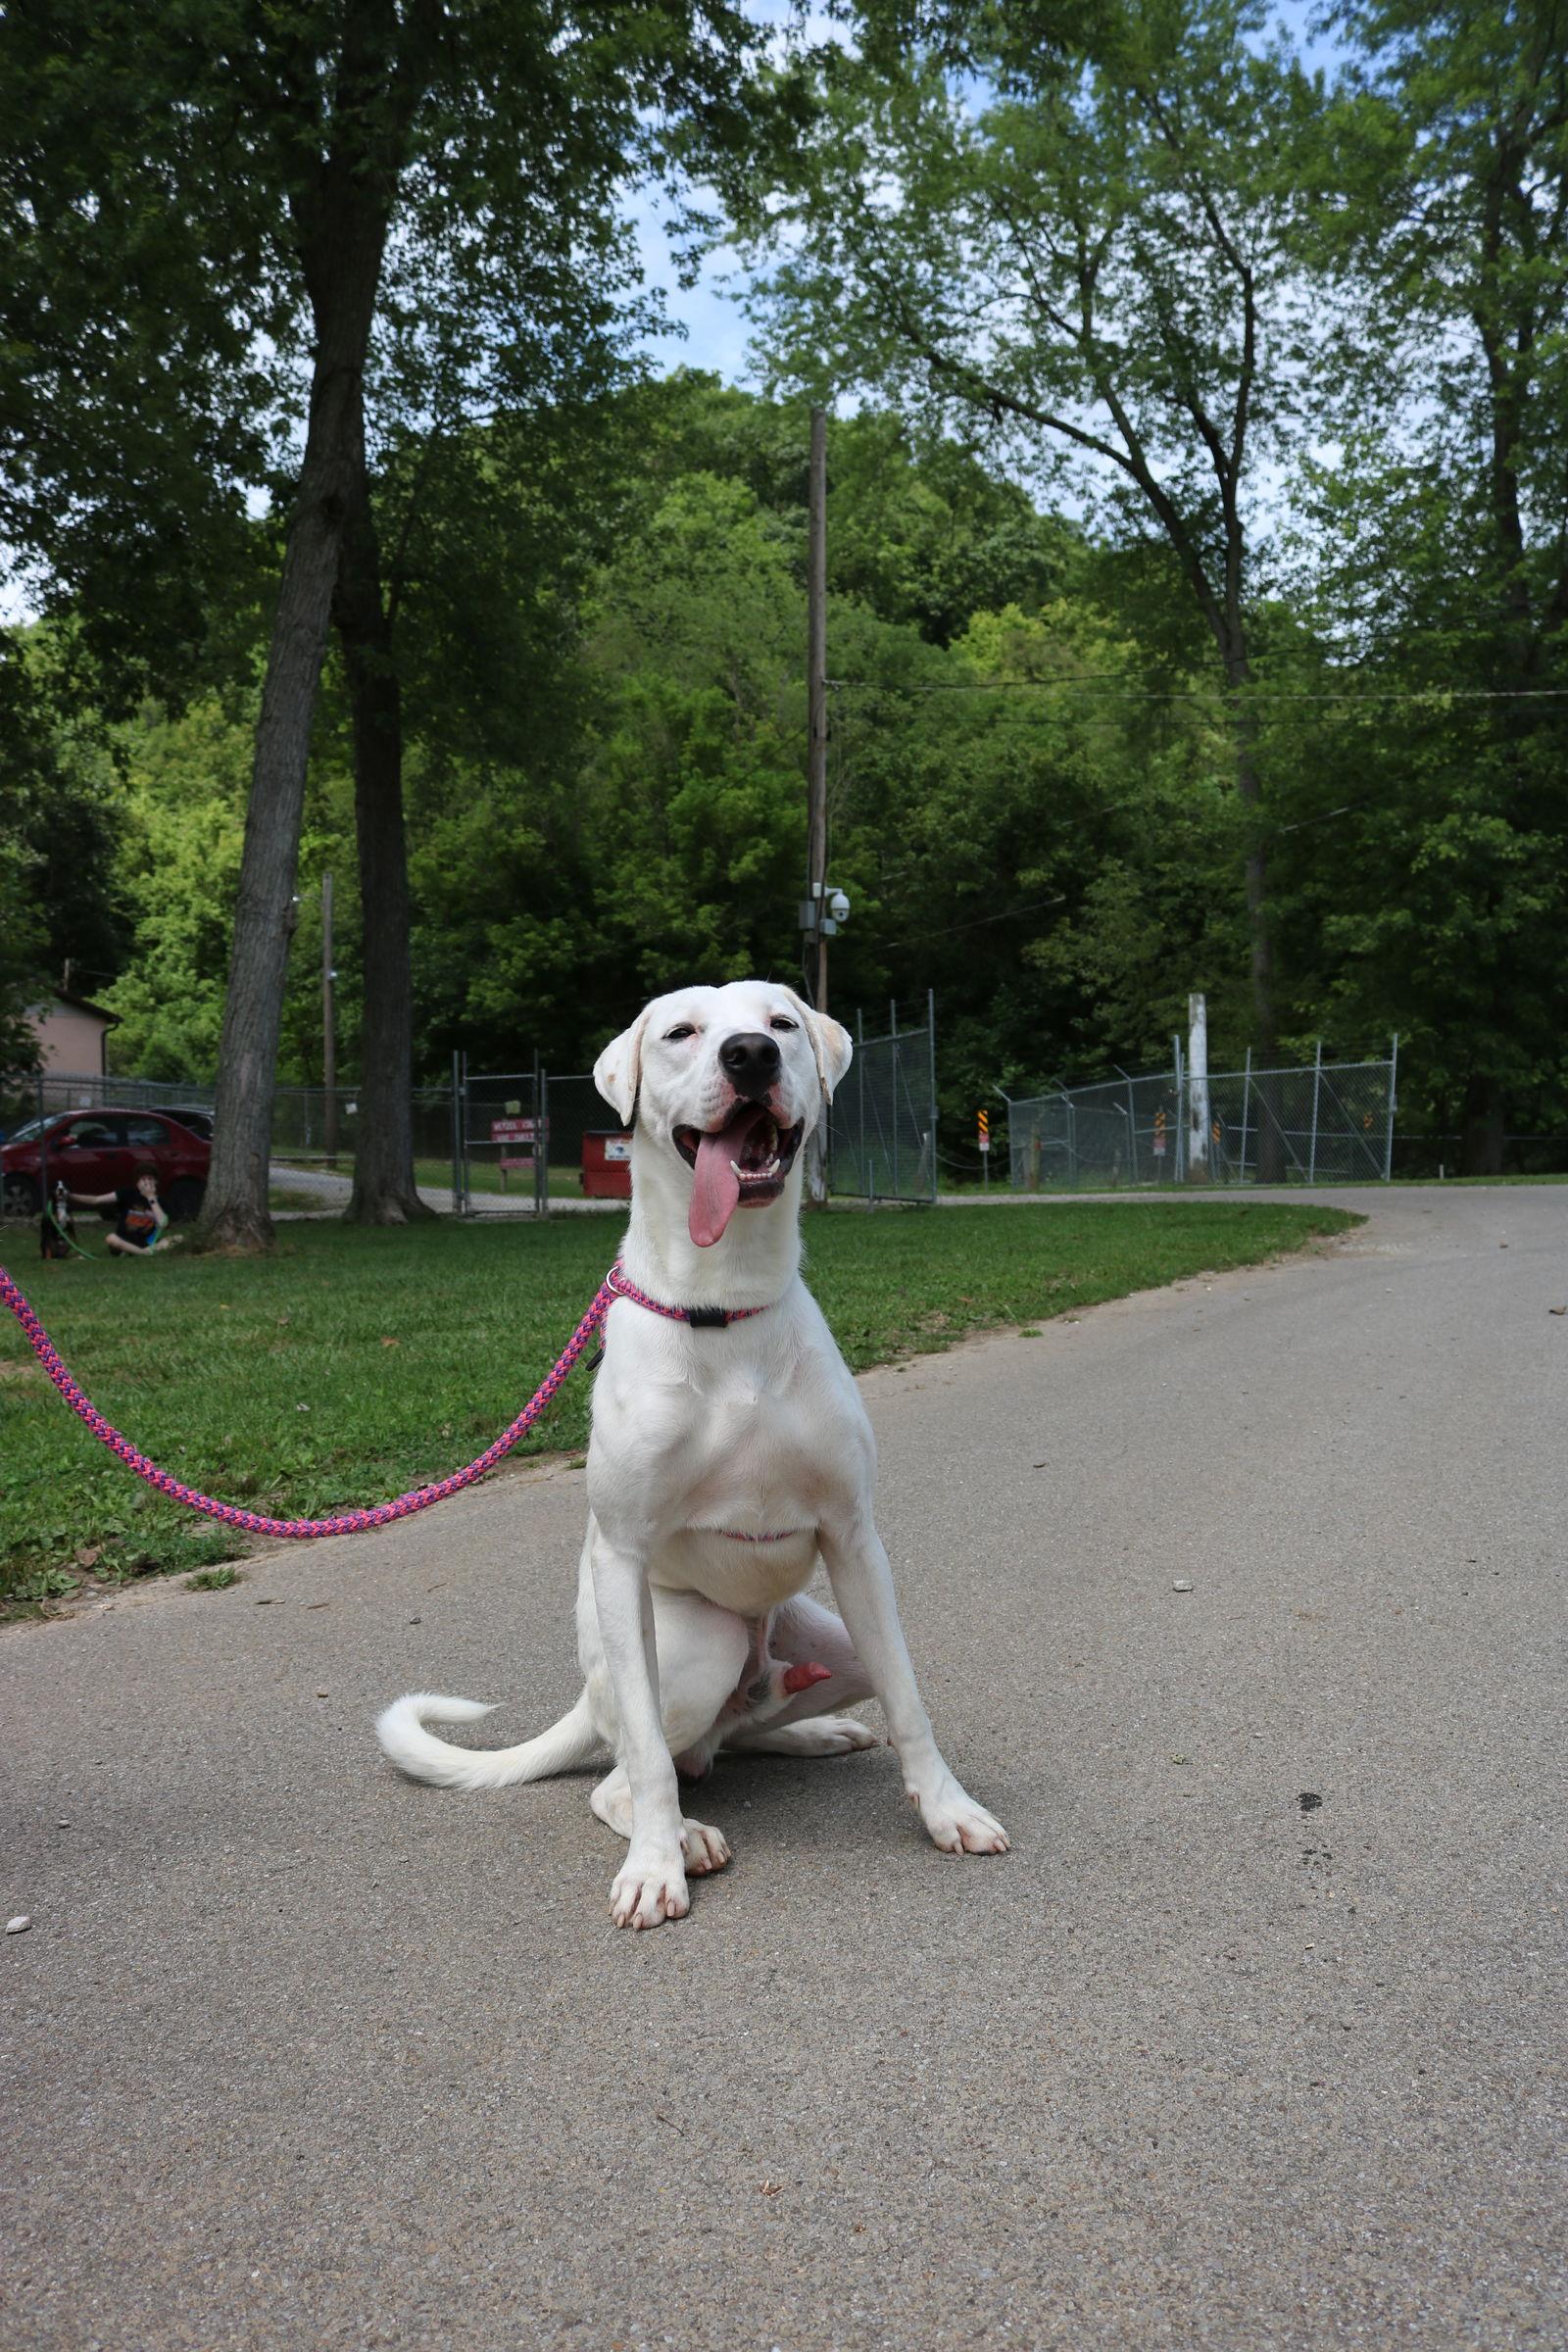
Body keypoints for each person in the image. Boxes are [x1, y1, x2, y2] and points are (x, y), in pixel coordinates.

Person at [66, 1163, 183, 1257]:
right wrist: (69, 1195)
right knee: (111, 1238)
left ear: (156, 1181)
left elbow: (162, 1224)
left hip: (147, 1243)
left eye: (150, 1179)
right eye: (143, 1179)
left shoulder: (161, 1201)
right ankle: (143, 1253)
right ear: (137, 1182)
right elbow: (96, 1200)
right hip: (124, 1242)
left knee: (179, 1238)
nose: (147, 1182)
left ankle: (141, 1252)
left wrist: (151, 1197)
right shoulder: (127, 1193)